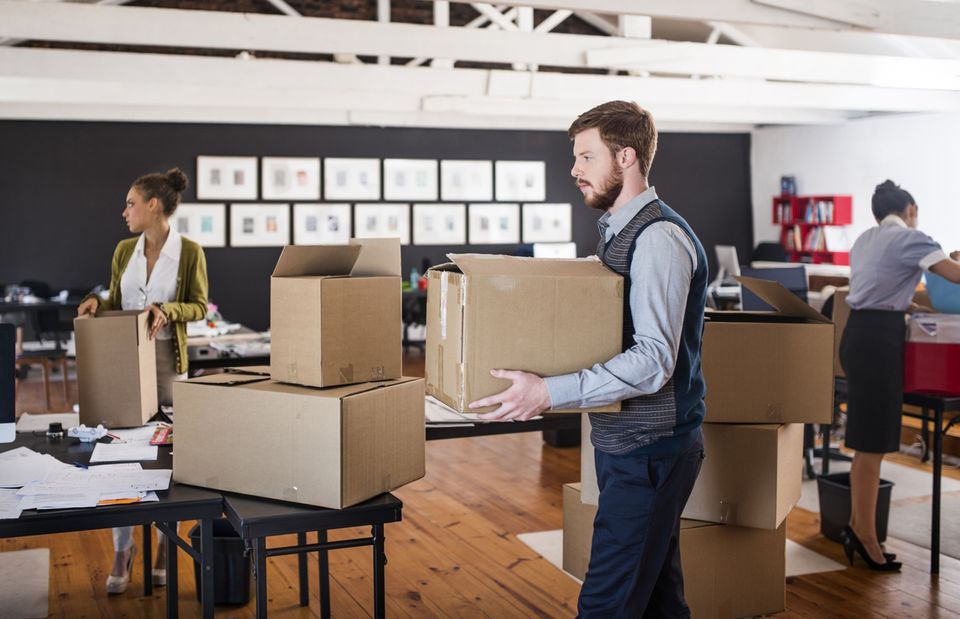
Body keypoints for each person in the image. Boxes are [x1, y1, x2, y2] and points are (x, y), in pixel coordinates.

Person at [468, 100, 708, 617]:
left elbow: (653, 361)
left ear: (626, 157)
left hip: (651, 448)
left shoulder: (658, 238)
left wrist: (548, 390)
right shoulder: (619, 232)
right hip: (634, 445)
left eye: (585, 156)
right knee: (659, 599)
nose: (574, 169)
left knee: (606, 605)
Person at [77, 168, 208, 593]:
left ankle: (164, 542)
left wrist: (167, 309)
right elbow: (116, 297)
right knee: (120, 455)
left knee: (169, 457)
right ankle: (122, 547)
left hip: (168, 362)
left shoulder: (189, 252)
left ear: (154, 205)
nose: (124, 211)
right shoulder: (123, 251)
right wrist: (98, 301)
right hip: (123, 362)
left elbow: (200, 306)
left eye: (131, 203)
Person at [839, 180, 960, 571]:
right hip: (879, 342)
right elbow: (954, 276)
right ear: (910, 208)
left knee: (864, 443)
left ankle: (860, 528)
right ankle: (867, 537)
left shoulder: (865, 240)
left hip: (857, 335)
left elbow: (876, 291)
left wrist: (908, 307)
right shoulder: (912, 237)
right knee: (872, 445)